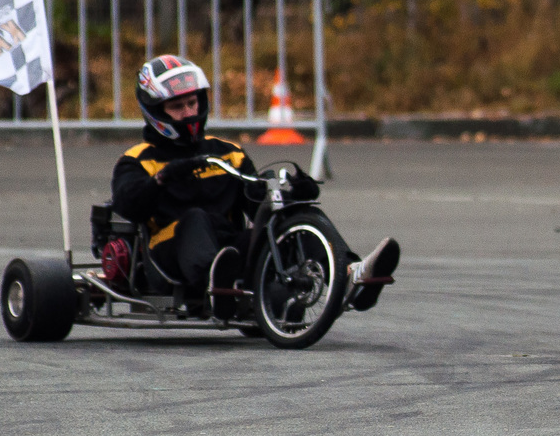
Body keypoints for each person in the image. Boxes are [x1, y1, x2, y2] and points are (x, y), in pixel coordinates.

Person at [110, 55, 398, 311]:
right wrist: (165, 176)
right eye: (177, 107)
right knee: (195, 218)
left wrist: (294, 197)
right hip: (170, 256)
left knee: (295, 215)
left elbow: (259, 202)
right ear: (157, 111)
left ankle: (351, 276)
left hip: (230, 251)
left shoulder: (228, 154)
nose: (188, 113)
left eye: (191, 103)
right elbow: (128, 204)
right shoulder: (138, 160)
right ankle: (217, 284)